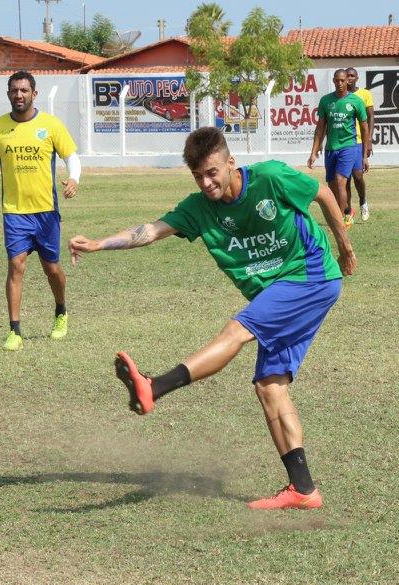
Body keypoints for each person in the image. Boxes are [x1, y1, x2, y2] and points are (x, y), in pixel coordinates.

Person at [69, 127, 356, 510]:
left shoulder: (269, 178)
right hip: (278, 292)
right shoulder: (198, 208)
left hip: (310, 276)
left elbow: (320, 192)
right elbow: (151, 230)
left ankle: (154, 388)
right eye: (198, 176)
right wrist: (99, 243)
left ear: (230, 163)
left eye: (212, 172)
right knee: (270, 387)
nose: (207, 183)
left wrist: (345, 247)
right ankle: (303, 490)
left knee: (238, 330)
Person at [0, 70, 82, 351]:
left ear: (34, 93)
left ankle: (61, 311)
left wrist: (74, 178)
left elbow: (72, 156)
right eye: (13, 90)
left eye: (23, 90)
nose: (18, 95)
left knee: (51, 268)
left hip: (46, 211)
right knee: (16, 266)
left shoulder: (51, 125)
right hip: (14, 212)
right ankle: (15, 331)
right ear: (8, 94)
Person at [308, 69, 369, 229]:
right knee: (332, 185)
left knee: (341, 182)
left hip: (349, 147)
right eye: (337, 80)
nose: (340, 83)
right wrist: (314, 151)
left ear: (347, 82)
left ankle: (340, 221)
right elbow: (320, 127)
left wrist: (364, 156)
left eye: (343, 80)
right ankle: (348, 211)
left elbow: (364, 128)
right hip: (330, 149)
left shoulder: (356, 101)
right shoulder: (326, 101)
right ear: (334, 81)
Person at [345, 67, 374, 222]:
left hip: (359, 141)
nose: (349, 78)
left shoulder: (365, 94)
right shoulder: (341, 96)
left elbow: (371, 118)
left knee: (358, 176)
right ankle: (348, 211)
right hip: (345, 141)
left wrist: (368, 140)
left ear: (356, 78)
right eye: (347, 76)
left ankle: (363, 201)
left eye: (352, 76)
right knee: (345, 179)